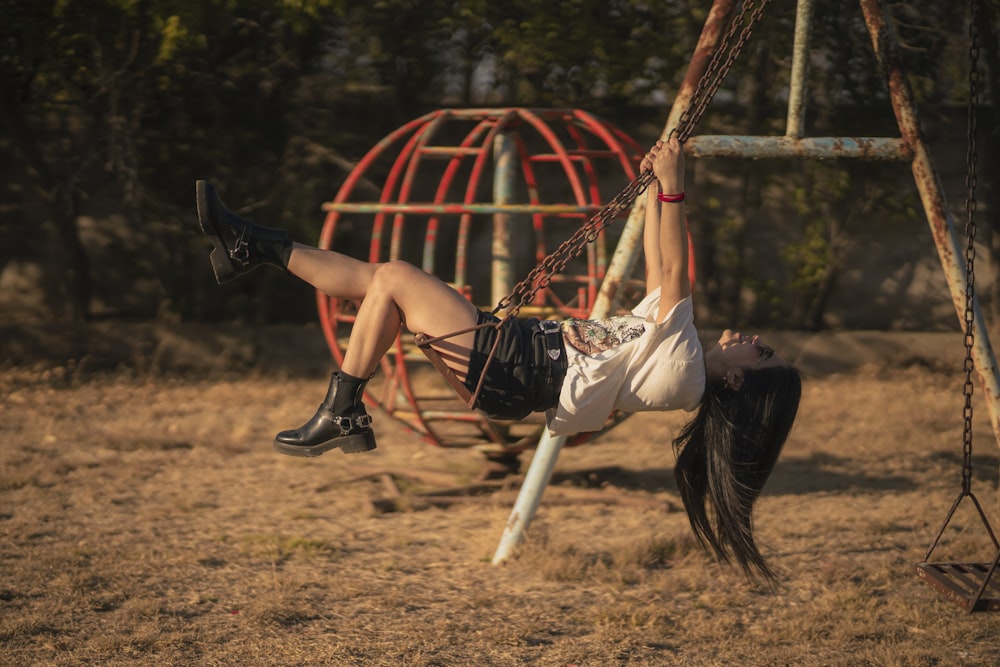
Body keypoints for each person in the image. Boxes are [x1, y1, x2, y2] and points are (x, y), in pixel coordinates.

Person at [194, 136, 801, 582]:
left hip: (516, 367)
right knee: (378, 281)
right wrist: (652, 195)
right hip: (515, 361)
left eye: (762, 351)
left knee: (395, 279)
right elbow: (655, 265)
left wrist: (673, 185)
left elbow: (673, 271)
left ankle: (342, 405)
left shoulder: (686, 370)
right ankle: (252, 248)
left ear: (743, 377)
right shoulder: (674, 351)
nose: (752, 336)